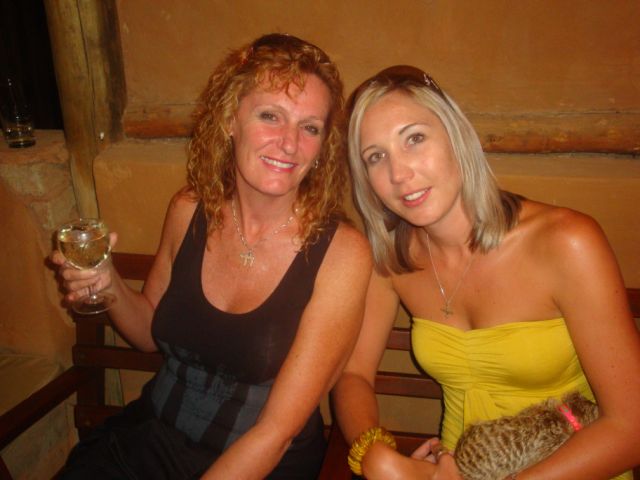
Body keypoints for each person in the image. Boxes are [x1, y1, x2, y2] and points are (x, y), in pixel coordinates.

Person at [51, 33, 372, 479]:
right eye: (270, 116)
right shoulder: (188, 211)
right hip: (150, 442)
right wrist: (108, 284)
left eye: (310, 127)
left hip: (260, 464)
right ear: (230, 120)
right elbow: (147, 333)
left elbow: (276, 433)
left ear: (323, 147)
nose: (289, 143)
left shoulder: (342, 254)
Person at [331, 65, 640, 479]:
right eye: (376, 156)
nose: (398, 174)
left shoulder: (567, 242)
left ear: (457, 136)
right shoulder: (391, 260)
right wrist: (373, 452)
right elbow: (353, 374)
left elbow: (630, 427)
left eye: (414, 138)